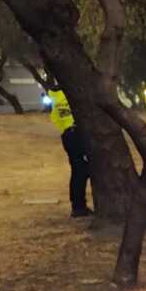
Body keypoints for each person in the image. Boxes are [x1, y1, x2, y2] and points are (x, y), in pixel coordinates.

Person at [47, 83, 92, 218]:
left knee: (77, 170)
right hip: (77, 134)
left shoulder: (55, 97)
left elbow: (54, 117)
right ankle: (79, 206)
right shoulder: (74, 94)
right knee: (82, 171)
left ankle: (77, 205)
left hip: (67, 135)